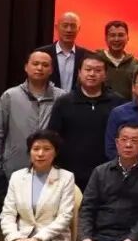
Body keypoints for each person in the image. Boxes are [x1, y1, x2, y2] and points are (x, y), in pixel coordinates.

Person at [48, 54, 126, 189]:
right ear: (79, 73)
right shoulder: (64, 102)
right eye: (88, 69)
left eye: (97, 70)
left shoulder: (118, 103)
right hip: (69, 174)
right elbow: (52, 138)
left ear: (105, 75)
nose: (92, 74)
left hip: (107, 174)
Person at [0, 50, 66, 175]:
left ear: (51, 70)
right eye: (35, 64)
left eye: (45, 65)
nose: (40, 68)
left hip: (51, 170)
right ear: (26, 67)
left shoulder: (61, 97)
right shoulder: (10, 96)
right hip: (14, 168)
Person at [37, 12, 94, 91]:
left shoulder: (88, 56)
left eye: (73, 26)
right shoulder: (41, 53)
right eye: (65, 25)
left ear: (78, 29)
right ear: (56, 27)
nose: (69, 30)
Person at [95, 20, 138, 101]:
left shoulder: (135, 63)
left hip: (127, 108)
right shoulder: (94, 60)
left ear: (128, 38)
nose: (116, 39)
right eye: (112, 35)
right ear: (106, 38)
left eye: (121, 35)